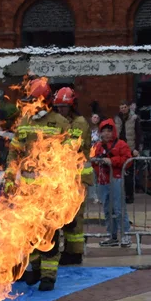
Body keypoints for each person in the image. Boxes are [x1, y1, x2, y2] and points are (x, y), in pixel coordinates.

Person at [7, 79, 69, 291]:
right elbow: (14, 153)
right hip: (27, 192)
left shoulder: (60, 123)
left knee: (49, 233)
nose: (29, 105)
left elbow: (71, 156)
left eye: (33, 101)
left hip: (51, 192)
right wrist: (9, 178)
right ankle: (33, 270)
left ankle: (48, 276)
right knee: (29, 233)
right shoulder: (24, 122)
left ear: (44, 102)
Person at [52, 87, 94, 265]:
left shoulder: (80, 123)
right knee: (66, 216)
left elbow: (71, 146)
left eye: (64, 107)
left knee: (75, 218)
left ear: (72, 106)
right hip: (65, 178)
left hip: (77, 178)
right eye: (59, 107)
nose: (61, 110)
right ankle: (69, 250)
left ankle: (75, 253)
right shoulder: (62, 122)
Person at [92, 119, 133, 246]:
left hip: (115, 179)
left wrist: (112, 161)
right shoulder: (98, 146)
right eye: (103, 131)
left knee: (119, 208)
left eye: (109, 131)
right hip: (103, 181)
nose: (106, 134)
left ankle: (125, 234)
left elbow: (128, 160)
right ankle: (112, 235)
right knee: (107, 209)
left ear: (113, 131)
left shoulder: (121, 144)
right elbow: (93, 160)